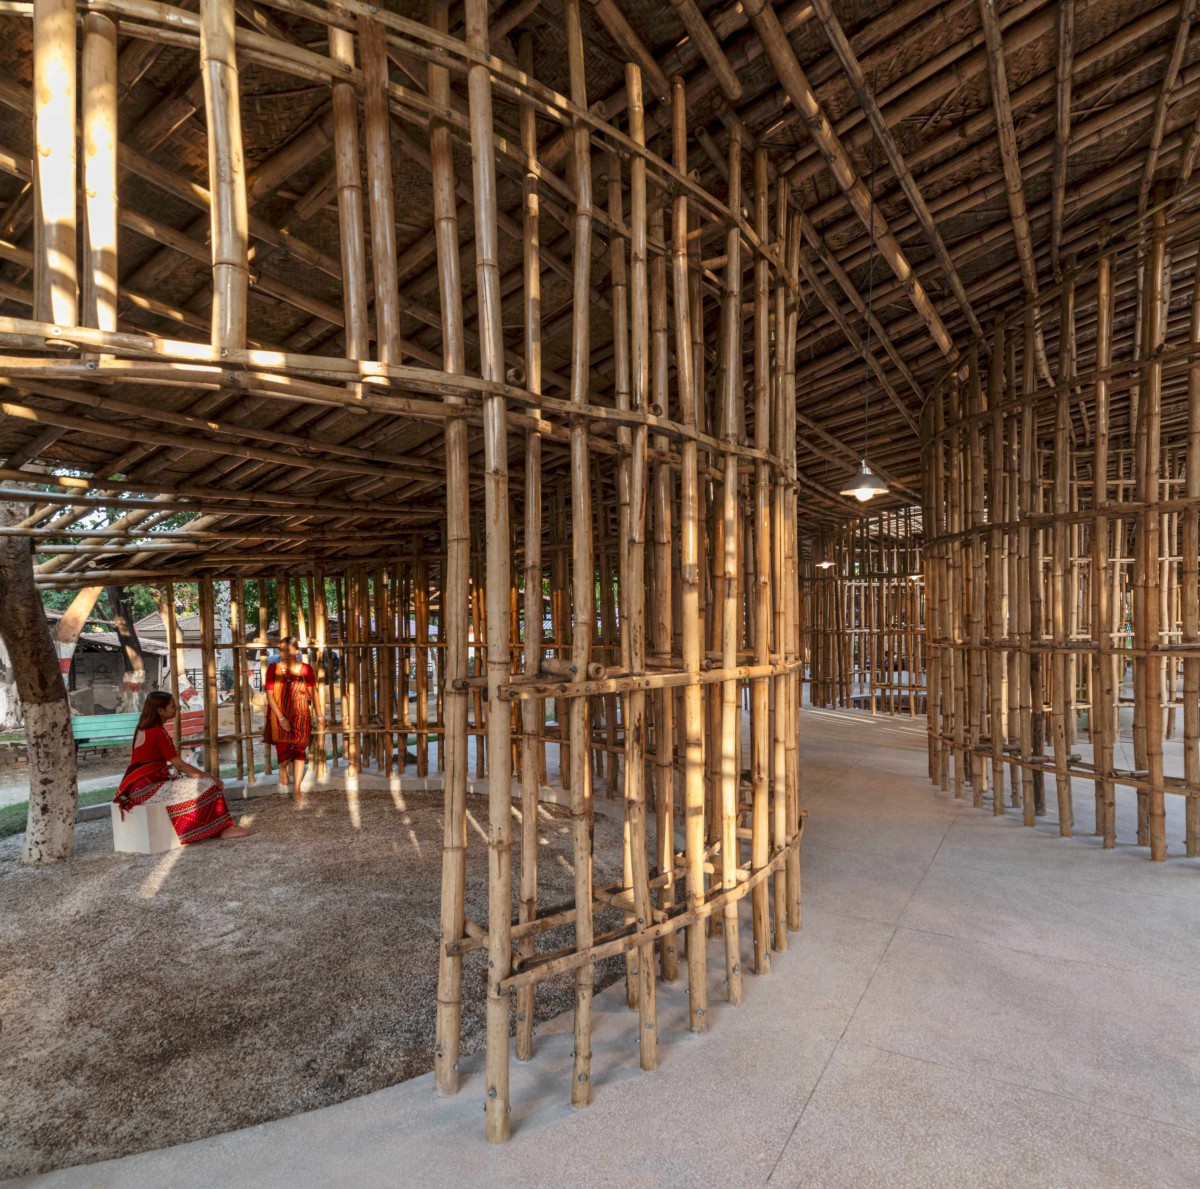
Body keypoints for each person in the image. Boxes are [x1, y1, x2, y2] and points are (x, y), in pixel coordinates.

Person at [115, 692, 252, 842]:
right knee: (208, 783)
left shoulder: (142, 728)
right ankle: (224, 829)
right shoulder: (156, 732)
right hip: (148, 788)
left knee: (195, 782)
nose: (177, 708)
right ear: (160, 710)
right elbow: (180, 765)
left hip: (138, 787)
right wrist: (213, 778)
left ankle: (213, 827)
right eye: (173, 706)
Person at [264, 636, 322, 800]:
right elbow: (269, 695)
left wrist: (320, 714)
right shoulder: (273, 669)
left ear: (296, 651)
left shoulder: (306, 669)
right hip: (279, 716)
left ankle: (297, 789)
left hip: (301, 715)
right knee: (284, 753)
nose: (284, 653)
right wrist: (281, 717)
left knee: (299, 752)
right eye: (281, 650)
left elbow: (313, 693)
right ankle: (282, 768)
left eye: (287, 650)